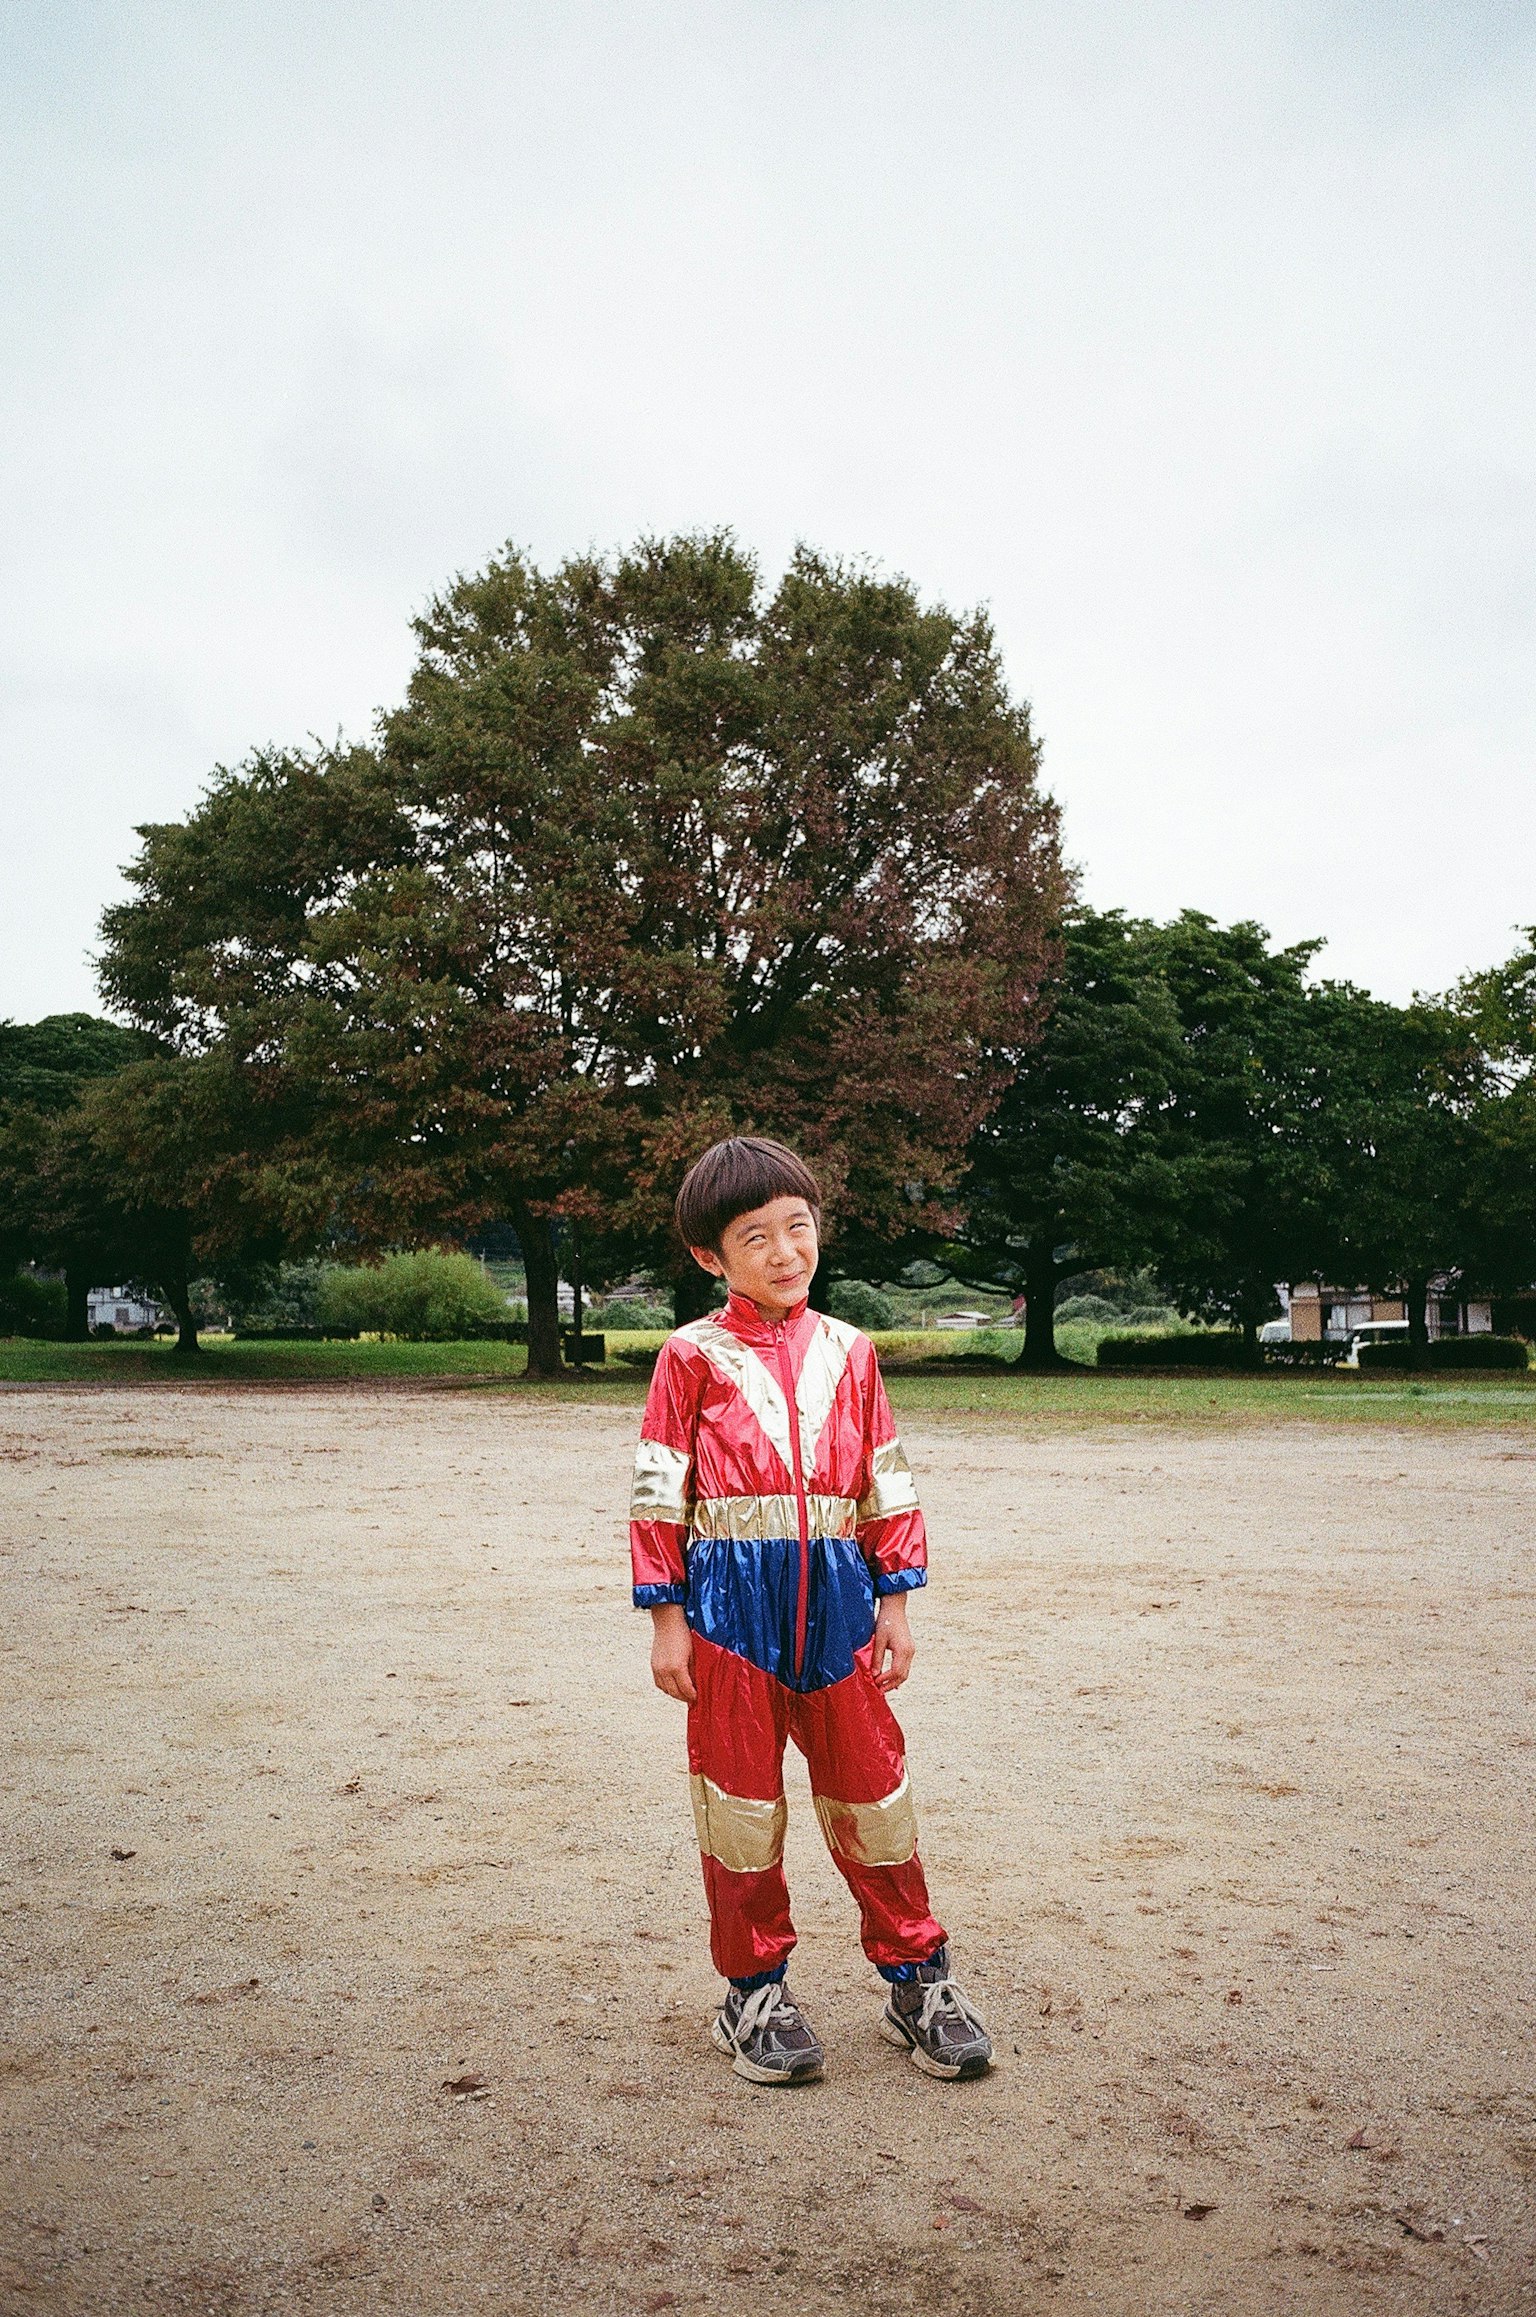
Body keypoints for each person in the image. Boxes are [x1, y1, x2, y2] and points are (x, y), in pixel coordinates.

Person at [629, 1134, 993, 2085]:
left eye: (800, 1227)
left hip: (839, 1610)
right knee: (740, 1809)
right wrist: (667, 1619)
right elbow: (660, 1492)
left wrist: (897, 1602)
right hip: (728, 1619)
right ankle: (753, 1994)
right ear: (713, 1256)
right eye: (758, 1237)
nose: (787, 1251)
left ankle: (919, 1980)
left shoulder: (853, 1352)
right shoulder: (688, 1357)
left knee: (875, 1795)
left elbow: (886, 1479)